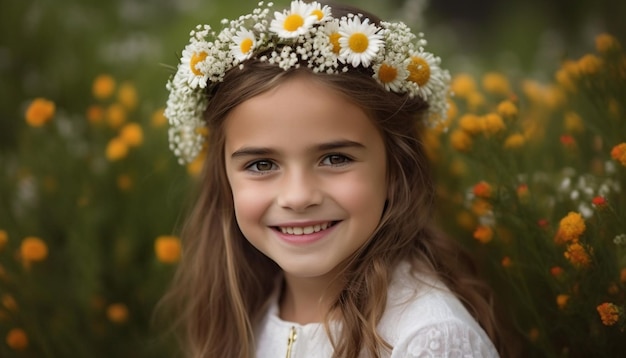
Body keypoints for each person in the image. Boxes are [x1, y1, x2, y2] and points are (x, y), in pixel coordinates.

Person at [159, 1, 512, 357]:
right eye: (262, 165)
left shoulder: (428, 339)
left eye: (335, 158)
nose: (297, 197)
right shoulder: (246, 313)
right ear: (225, 179)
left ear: (395, 169)